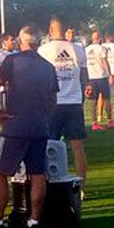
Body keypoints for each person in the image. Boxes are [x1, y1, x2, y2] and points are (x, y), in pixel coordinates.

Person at [0, 25, 58, 228]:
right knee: (38, 173)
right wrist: (44, 118)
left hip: (15, 126)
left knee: (0, 173)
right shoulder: (48, 67)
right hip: (40, 127)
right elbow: (53, 99)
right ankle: (34, 222)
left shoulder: (12, 61)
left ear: (21, 41)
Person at [39, 16, 89, 190]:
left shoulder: (44, 50)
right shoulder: (78, 49)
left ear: (51, 30)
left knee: (48, 146)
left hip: (53, 103)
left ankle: (48, 184)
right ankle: (80, 187)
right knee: (77, 146)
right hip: (74, 103)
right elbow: (84, 76)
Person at [85, 29, 114, 131]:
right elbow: (104, 61)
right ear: (100, 38)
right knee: (107, 99)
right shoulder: (102, 48)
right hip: (101, 77)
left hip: (91, 78)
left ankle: (94, 123)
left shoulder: (86, 49)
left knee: (93, 101)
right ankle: (110, 121)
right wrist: (110, 74)